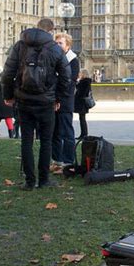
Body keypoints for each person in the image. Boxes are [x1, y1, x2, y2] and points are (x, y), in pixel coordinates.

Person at [0, 18, 71, 190]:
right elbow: (66, 76)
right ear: (51, 31)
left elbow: (7, 73)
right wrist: (58, 99)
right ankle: (44, 179)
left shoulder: (20, 45)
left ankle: (30, 181)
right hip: (46, 101)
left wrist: (8, 95)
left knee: (26, 141)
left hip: (23, 100)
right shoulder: (54, 48)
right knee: (46, 141)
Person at [50, 33, 79, 174]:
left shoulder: (73, 60)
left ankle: (68, 163)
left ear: (68, 45)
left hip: (65, 102)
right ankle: (57, 161)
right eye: (56, 43)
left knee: (67, 133)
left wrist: (59, 100)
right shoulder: (55, 59)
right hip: (54, 101)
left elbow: (69, 83)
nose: (57, 45)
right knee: (55, 132)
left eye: (60, 43)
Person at [74, 69, 92, 139]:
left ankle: (84, 134)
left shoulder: (85, 82)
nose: (79, 74)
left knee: (82, 119)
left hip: (82, 103)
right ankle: (83, 133)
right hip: (82, 103)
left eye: (80, 73)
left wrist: (78, 85)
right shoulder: (84, 81)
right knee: (82, 118)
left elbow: (82, 93)